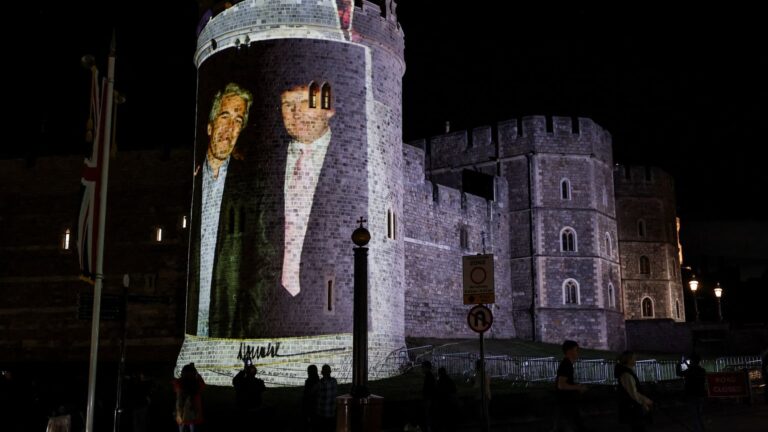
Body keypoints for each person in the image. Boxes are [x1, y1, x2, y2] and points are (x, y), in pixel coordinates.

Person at [186, 82, 253, 338]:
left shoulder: (248, 189)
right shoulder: (191, 184)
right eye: (224, 116)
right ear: (210, 125)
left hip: (227, 326)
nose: (229, 128)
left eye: (238, 120)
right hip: (191, 321)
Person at [279, 83, 335, 297]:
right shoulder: (262, 163)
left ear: (329, 106)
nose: (296, 113)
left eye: (306, 102)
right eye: (287, 104)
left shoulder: (359, 161)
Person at [554, 340, 588, 432]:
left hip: (566, 402)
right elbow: (561, 385)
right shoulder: (566, 365)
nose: (577, 353)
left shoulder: (567, 364)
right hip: (566, 402)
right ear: (569, 351)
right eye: (576, 350)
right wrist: (578, 387)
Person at [615, 351, 653, 432]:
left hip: (632, 406)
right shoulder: (626, 374)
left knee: (637, 427)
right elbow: (633, 393)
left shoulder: (627, 372)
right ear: (628, 360)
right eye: (633, 358)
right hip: (633, 407)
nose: (635, 360)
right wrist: (644, 401)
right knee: (638, 428)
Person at [676, 353, 706, 432]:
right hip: (700, 395)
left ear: (692, 361)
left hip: (691, 396)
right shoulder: (702, 370)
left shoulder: (689, 371)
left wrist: (679, 363)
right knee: (699, 416)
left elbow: (678, 373)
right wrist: (686, 363)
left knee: (695, 416)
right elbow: (694, 369)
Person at [233, 359, 266, 425]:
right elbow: (263, 390)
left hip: (243, 408)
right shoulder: (259, 382)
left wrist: (243, 371)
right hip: (254, 408)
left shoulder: (241, 381)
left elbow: (235, 381)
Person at [173, 363, 205, 432]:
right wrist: (198, 375)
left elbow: (177, 391)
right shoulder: (197, 383)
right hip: (193, 406)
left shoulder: (179, 382)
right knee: (192, 422)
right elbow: (202, 386)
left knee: (181, 422)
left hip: (181, 406)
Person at [315, 364, 338, 432]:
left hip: (322, 413)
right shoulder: (334, 381)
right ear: (330, 372)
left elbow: (312, 392)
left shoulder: (319, 383)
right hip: (332, 412)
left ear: (322, 373)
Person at [435, 367, 458, 432]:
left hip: (443, 404)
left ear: (439, 373)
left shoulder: (439, 381)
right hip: (451, 404)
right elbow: (454, 390)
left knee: (444, 421)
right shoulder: (450, 380)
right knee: (450, 422)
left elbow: (437, 392)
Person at [302, 365, 320, 431]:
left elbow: (307, 395)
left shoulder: (309, 381)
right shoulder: (319, 381)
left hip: (309, 407)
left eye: (308, 371)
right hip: (316, 407)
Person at [421, 361, 436, 432]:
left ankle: (429, 428)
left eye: (422, 367)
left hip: (429, 398)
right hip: (430, 398)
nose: (421, 369)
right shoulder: (430, 376)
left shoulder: (428, 376)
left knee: (428, 415)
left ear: (426, 368)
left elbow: (428, 388)